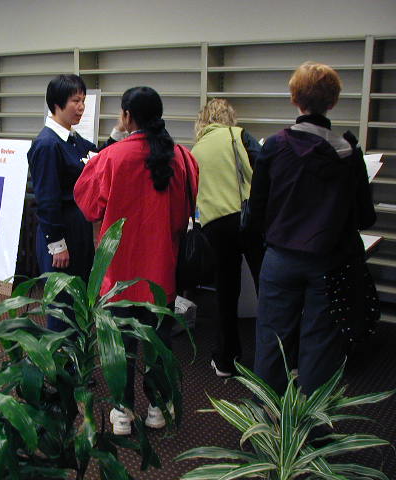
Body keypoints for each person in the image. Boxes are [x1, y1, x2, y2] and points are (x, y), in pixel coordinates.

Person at [74, 86, 198, 435]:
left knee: (121, 345)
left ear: (127, 116)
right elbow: (185, 211)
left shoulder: (111, 158)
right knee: (159, 342)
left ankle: (122, 412)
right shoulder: (183, 157)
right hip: (162, 269)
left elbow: (88, 206)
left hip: (120, 272)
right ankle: (158, 408)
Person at [249, 62, 376, 396]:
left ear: (294, 98)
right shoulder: (348, 152)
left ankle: (266, 417)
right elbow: (365, 217)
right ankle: (309, 422)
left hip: (280, 258)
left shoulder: (274, 146)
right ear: (333, 102)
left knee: (272, 340)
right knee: (321, 344)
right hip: (329, 262)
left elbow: (257, 210)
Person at [191, 99, 264, 377]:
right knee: (266, 288)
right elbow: (263, 170)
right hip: (247, 218)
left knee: (226, 292)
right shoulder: (238, 135)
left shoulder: (196, 150)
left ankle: (226, 360)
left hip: (215, 225)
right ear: (228, 116)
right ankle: (278, 359)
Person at [27, 74, 100, 332]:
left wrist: (117, 134)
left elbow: (99, 157)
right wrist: (57, 245)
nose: (81, 107)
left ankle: (77, 355)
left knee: (79, 299)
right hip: (60, 233)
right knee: (62, 306)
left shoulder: (73, 139)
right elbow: (46, 200)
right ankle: (61, 357)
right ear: (57, 104)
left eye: (83, 101)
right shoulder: (47, 144)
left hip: (78, 230)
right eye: (75, 101)